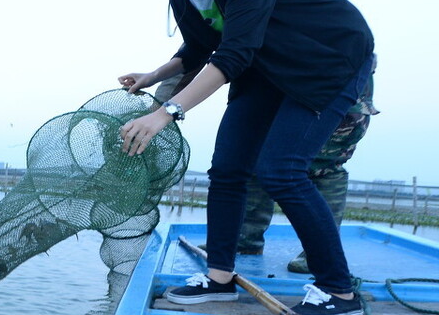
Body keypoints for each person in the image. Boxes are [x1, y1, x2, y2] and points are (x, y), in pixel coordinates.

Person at [113, 0, 376, 315]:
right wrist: (153, 77)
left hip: (327, 59)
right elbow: (199, 49)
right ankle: (219, 278)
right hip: (265, 68)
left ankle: (337, 289)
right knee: (228, 169)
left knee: (281, 170)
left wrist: (167, 111)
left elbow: (232, 53)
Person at [154, 63, 377, 273]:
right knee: (252, 156)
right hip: (278, 85)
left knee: (323, 165)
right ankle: (245, 239)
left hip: (335, 82)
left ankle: (319, 255)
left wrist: (163, 110)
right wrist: (158, 106)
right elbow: (196, 53)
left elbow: (226, 59)